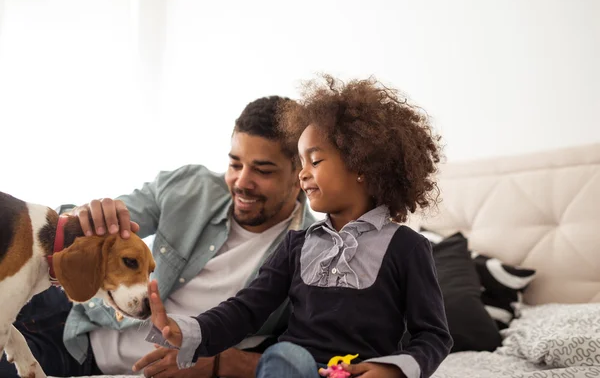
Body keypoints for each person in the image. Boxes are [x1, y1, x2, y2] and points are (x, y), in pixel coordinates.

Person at [140, 75, 453, 378]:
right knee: (284, 357)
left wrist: (394, 369)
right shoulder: (296, 245)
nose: (302, 175)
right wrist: (187, 330)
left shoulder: (408, 247)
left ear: (361, 166)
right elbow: (245, 310)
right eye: (300, 164)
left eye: (314, 162)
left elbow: (434, 336)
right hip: (294, 368)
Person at [0, 96, 317, 378]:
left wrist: (223, 363)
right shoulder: (191, 185)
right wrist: (89, 214)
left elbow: (310, 355)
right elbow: (86, 226)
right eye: (235, 164)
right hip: (64, 307)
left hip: (73, 356)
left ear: (299, 174)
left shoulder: (314, 252)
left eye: (262, 171)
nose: (241, 182)